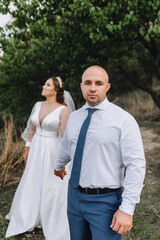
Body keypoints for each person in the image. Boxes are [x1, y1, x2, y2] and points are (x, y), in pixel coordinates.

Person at [54, 66, 146, 240]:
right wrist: (58, 165)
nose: (93, 88)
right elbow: (67, 146)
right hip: (74, 197)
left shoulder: (123, 120)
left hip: (105, 201)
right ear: (81, 86)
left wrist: (127, 209)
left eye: (98, 83)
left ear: (107, 87)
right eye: (88, 83)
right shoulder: (74, 117)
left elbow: (136, 165)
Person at [5, 77, 73, 240]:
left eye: (47, 85)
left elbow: (64, 136)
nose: (43, 86)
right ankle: (29, 213)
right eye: (44, 84)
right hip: (36, 147)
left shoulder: (64, 110)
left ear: (56, 91)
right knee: (33, 179)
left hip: (52, 149)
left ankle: (51, 217)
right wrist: (27, 147)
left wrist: (63, 160)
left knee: (52, 183)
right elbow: (32, 128)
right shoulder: (37, 105)